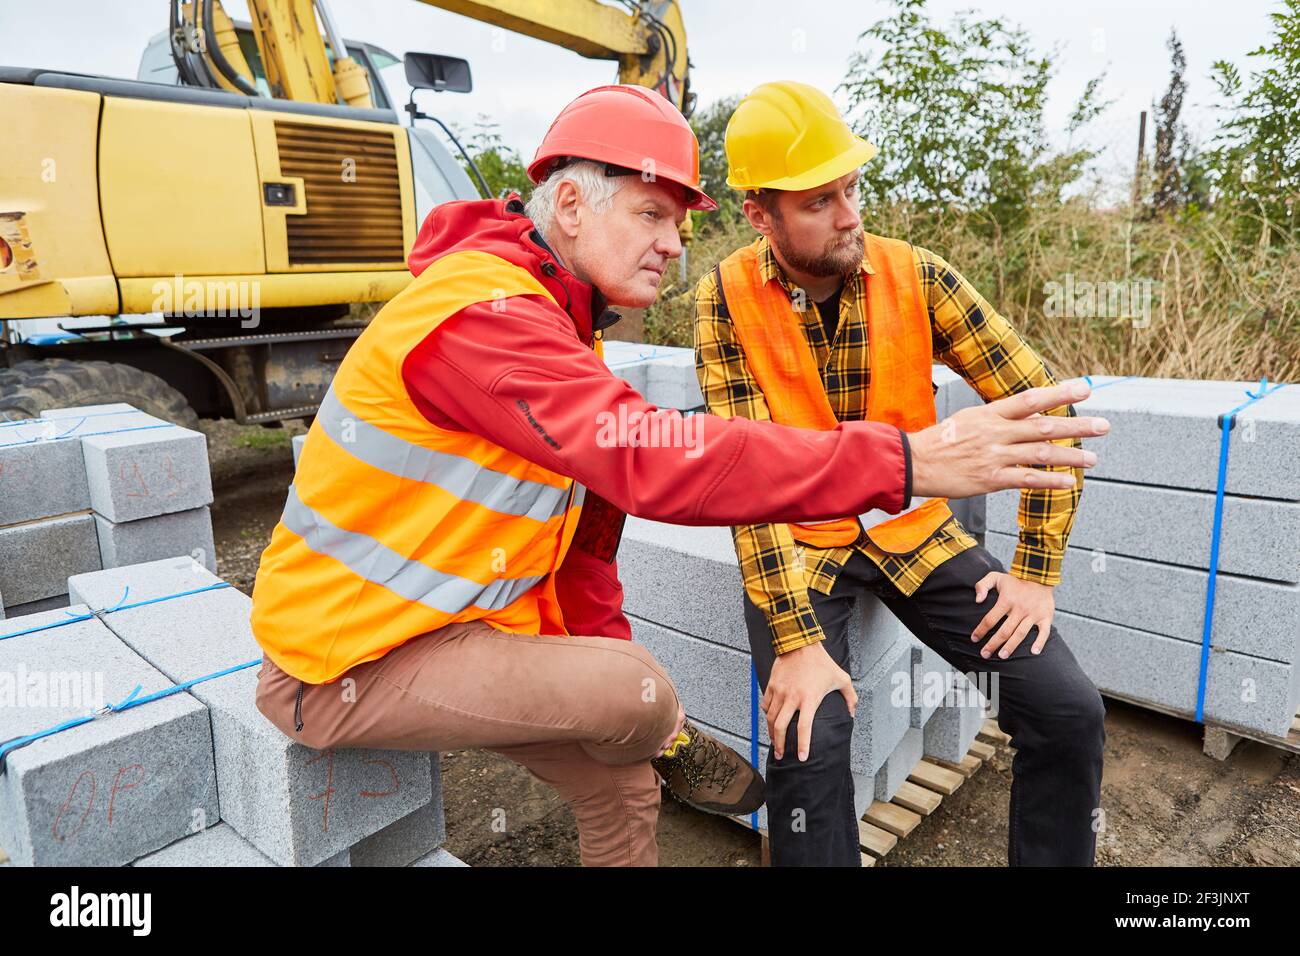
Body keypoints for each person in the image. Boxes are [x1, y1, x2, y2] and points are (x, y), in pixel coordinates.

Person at [249, 84, 1107, 867]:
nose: (672, 247)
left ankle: (653, 739)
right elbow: (660, 457)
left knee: (622, 785)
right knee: (743, 724)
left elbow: (586, 546)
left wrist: (1034, 574)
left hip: (896, 536)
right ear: (574, 203)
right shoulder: (487, 320)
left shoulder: (566, 333)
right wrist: (906, 466)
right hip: (349, 656)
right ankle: (664, 728)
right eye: (653, 215)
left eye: (679, 226)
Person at [694, 80, 1107, 866]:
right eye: (819, 201)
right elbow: (742, 475)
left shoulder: (920, 276)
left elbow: (1047, 411)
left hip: (908, 527)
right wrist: (795, 640)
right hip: (799, 541)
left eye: (851, 188)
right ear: (760, 214)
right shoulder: (724, 300)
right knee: (810, 739)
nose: (849, 214)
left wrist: (1036, 572)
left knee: (1068, 709)